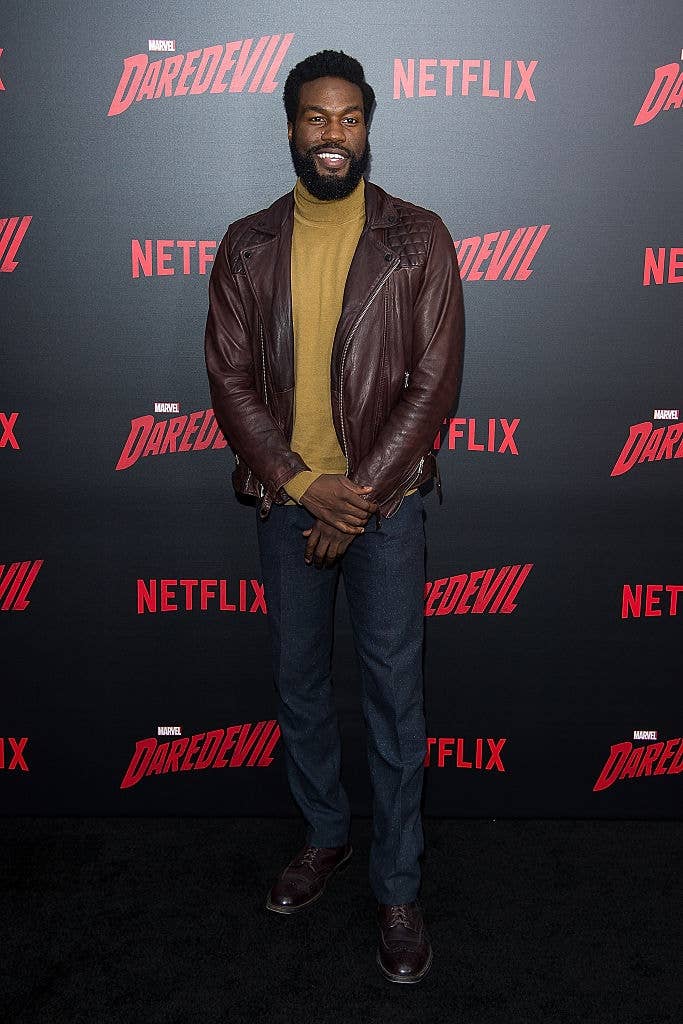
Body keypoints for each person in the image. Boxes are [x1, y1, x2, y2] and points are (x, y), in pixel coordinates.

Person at [204, 49, 464, 984]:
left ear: (367, 129)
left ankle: (397, 886)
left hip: (383, 509)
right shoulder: (246, 245)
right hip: (285, 505)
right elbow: (229, 381)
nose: (332, 135)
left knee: (395, 700)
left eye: (348, 118)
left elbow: (433, 386)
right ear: (289, 127)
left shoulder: (418, 239)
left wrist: (351, 500)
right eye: (316, 118)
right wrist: (299, 483)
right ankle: (324, 836)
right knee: (300, 686)